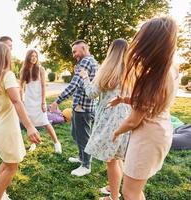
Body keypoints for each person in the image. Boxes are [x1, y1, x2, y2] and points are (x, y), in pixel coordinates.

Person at [109, 17, 178, 200]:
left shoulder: (151, 76)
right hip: (160, 132)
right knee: (136, 189)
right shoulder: (169, 70)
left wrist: (116, 132)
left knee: (130, 192)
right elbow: (149, 102)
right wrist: (124, 99)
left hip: (147, 137)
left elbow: (133, 120)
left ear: (151, 42)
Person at [0, 43, 40, 200]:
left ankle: (0, 195)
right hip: (7, 127)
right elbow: (17, 101)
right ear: (4, 57)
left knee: (7, 163)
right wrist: (30, 127)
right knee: (12, 166)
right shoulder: (7, 75)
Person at [80, 39, 130, 200]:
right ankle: (113, 187)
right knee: (117, 156)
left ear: (111, 51)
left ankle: (113, 197)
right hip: (126, 116)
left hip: (110, 118)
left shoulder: (106, 69)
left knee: (111, 160)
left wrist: (85, 77)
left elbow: (91, 93)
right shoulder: (131, 70)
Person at [50, 40, 98, 176]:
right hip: (80, 107)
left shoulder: (86, 62)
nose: (74, 55)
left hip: (84, 108)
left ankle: (86, 165)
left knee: (83, 137)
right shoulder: (89, 62)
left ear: (83, 48)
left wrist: (57, 101)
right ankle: (82, 157)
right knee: (76, 134)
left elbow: (74, 85)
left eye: (75, 51)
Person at [20, 50, 62, 153]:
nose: (34, 58)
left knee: (45, 122)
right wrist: (21, 101)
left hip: (39, 101)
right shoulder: (24, 70)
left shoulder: (40, 69)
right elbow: (20, 86)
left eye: (35, 56)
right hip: (28, 101)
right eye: (31, 56)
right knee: (30, 124)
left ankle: (56, 143)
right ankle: (33, 143)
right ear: (28, 57)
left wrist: (43, 102)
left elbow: (43, 86)